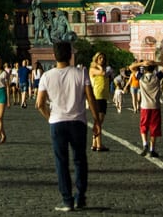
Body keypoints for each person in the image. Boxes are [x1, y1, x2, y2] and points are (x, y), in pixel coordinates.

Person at [36, 40, 100, 213]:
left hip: (57, 123)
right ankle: (80, 197)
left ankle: (67, 200)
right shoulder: (81, 73)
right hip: (78, 122)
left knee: (61, 162)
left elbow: (39, 104)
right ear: (71, 54)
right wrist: (96, 121)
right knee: (80, 160)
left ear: (54, 55)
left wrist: (49, 117)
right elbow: (90, 98)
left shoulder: (47, 76)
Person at [130, 59, 162, 157]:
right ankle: (152, 149)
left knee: (143, 126)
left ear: (145, 69)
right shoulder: (157, 77)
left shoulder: (141, 77)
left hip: (144, 106)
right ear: (154, 69)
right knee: (154, 128)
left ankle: (145, 144)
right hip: (155, 106)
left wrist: (142, 63)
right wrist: (156, 62)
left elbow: (131, 67)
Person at [88, 53, 109, 152]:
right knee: (99, 121)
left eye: (103, 58)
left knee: (98, 122)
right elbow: (103, 73)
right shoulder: (93, 69)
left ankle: (94, 144)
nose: (102, 59)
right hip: (97, 97)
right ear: (95, 59)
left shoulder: (103, 69)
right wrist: (100, 66)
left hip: (103, 97)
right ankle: (99, 145)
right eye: (100, 58)